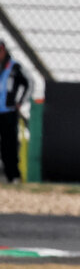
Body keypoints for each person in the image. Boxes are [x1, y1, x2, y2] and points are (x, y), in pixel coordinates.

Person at [0, 42, 32, 183]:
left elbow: (29, 83)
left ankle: (13, 176)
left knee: (10, 145)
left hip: (9, 112)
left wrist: (20, 101)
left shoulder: (15, 67)